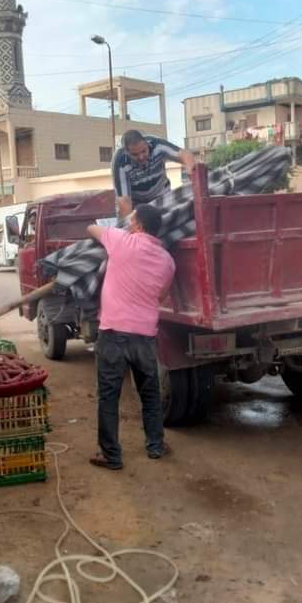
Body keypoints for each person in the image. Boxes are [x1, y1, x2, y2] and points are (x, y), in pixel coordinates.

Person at [86, 204, 176, 470]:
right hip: (145, 335)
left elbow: (91, 228)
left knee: (109, 396)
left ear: (138, 225)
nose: (128, 222)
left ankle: (111, 455)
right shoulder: (167, 261)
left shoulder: (121, 241)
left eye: (131, 219)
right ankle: (155, 446)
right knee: (150, 394)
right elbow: (161, 296)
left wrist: (120, 228)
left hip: (113, 333)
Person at [112, 130, 195, 219]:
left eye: (144, 151)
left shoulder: (157, 145)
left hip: (162, 197)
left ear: (147, 144)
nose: (141, 157)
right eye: (135, 154)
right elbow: (125, 201)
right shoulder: (120, 161)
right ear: (126, 152)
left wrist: (190, 171)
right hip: (137, 205)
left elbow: (185, 155)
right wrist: (129, 224)